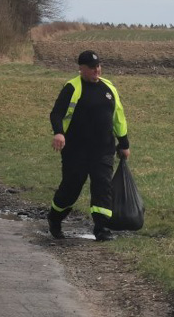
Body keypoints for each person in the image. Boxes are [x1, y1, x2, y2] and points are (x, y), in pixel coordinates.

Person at [47, 50, 131, 241]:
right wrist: (59, 132)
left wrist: (124, 143)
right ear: (81, 68)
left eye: (98, 66)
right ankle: (55, 217)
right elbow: (57, 113)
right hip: (76, 151)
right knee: (71, 188)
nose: (97, 71)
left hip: (103, 149)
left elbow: (119, 117)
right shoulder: (72, 88)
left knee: (103, 187)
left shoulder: (109, 88)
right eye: (92, 68)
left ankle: (101, 228)